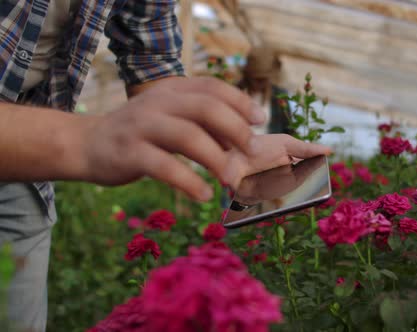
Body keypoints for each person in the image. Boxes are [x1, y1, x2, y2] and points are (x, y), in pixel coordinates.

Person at [0, 1, 330, 331]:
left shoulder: (278, 99)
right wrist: (85, 140)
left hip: (27, 178)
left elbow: (151, 58)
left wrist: (233, 144)